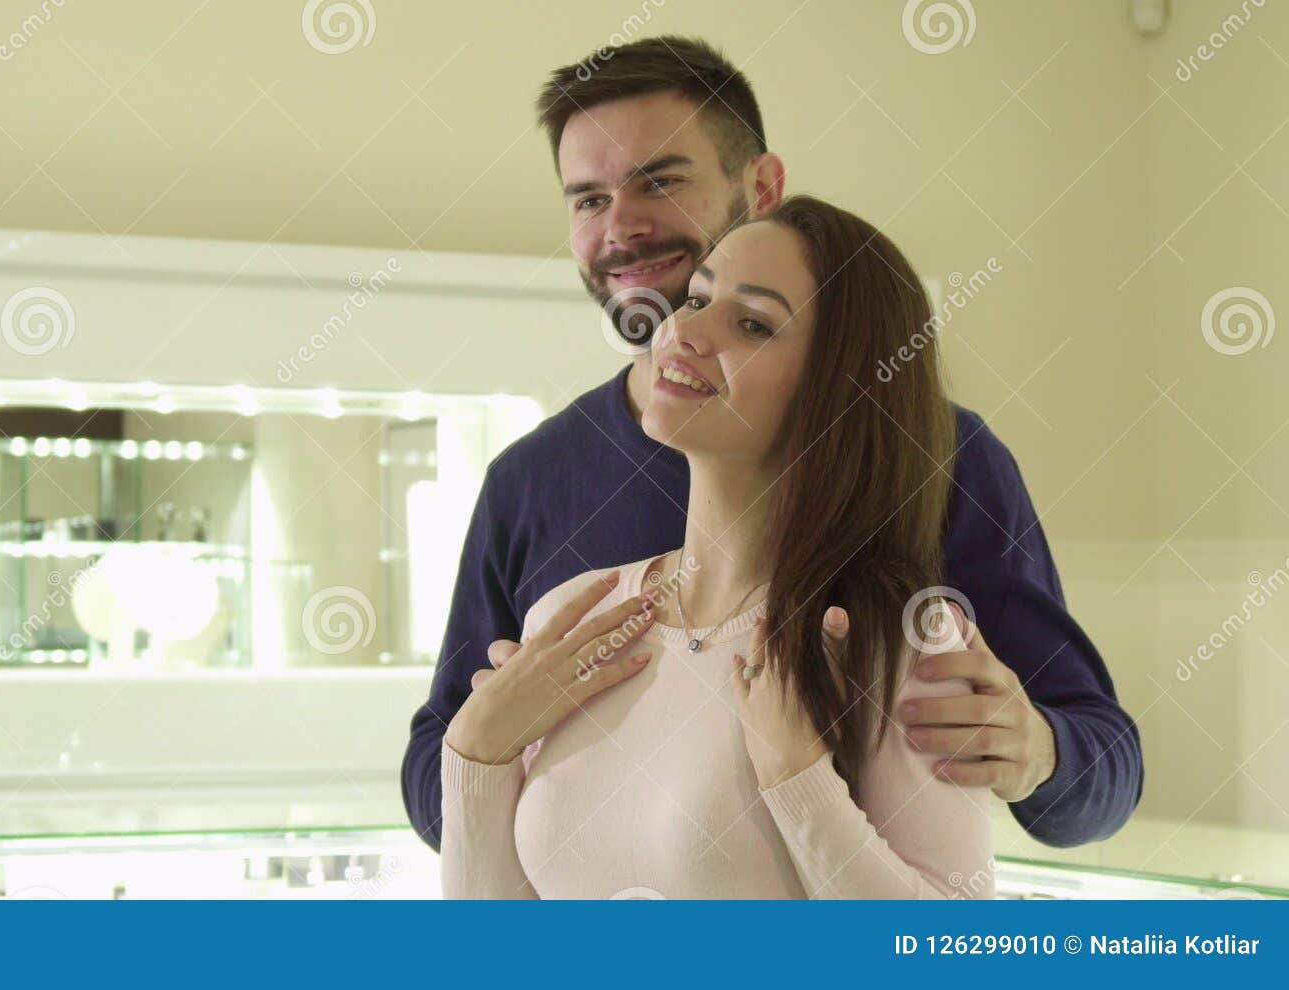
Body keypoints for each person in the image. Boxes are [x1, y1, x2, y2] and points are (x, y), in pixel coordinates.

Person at [402, 35, 1142, 854]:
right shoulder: (531, 481)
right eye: (588, 200)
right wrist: (507, 739)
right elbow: (437, 782)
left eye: (660, 180)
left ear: (762, 186)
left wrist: (1035, 750)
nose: (622, 227)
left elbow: (1100, 774)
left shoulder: (932, 454)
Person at [442, 198, 991, 897]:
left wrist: (799, 779)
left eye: (752, 323)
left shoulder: (901, 644)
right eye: (698, 297)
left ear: (839, 391)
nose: (684, 330)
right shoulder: (571, 618)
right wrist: (474, 756)